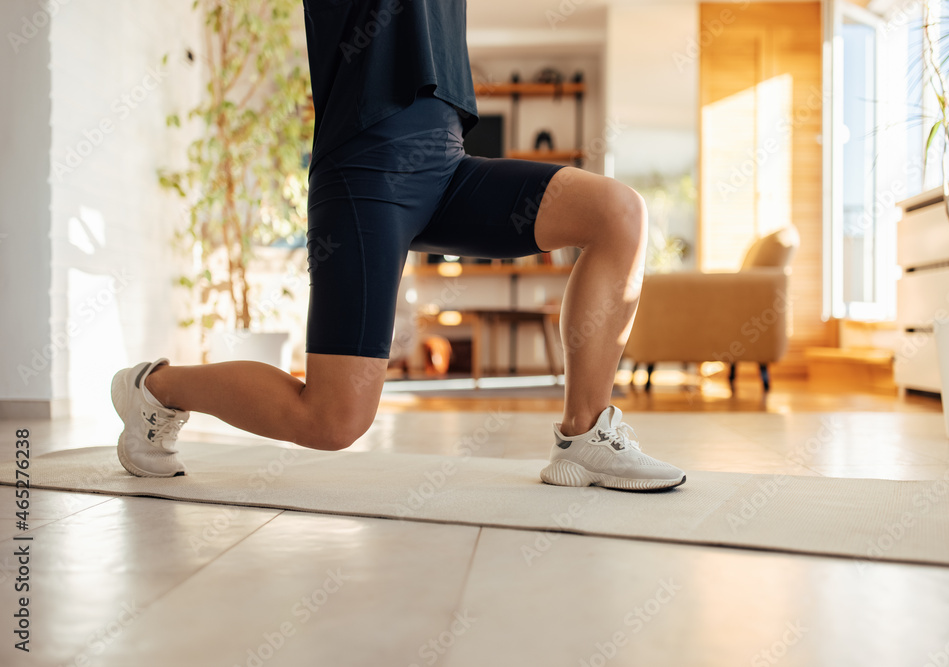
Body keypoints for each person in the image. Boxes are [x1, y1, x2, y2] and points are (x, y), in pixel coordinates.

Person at [110, 0, 686, 491]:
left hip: (446, 163)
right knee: (334, 422)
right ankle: (154, 388)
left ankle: (584, 435)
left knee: (617, 213)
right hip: (364, 171)